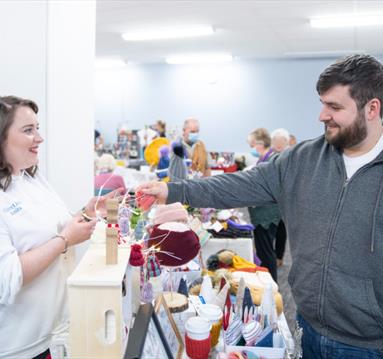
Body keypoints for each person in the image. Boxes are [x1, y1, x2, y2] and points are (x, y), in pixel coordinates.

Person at [138, 54, 383, 358]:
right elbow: (238, 185)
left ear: (372, 108)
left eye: (334, 107)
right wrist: (172, 189)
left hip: (369, 344)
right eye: (322, 103)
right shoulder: (302, 159)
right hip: (309, 326)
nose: (322, 115)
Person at [0, 96, 124, 359]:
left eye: (37, 128)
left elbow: (58, 228)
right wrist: (65, 240)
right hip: (21, 346)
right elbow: (8, 279)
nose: (39, 138)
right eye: (28, 130)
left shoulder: (30, 178)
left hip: (57, 332)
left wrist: (87, 212)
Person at [247, 128, 280, 282]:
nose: (251, 148)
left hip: (267, 216)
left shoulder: (271, 159)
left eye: (252, 144)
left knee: (266, 252)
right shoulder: (265, 159)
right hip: (263, 213)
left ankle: (272, 286)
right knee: (263, 251)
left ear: (260, 143)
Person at [270, 128, 290, 267]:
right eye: (275, 141)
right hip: (271, 200)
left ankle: (279, 256)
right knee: (271, 228)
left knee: (281, 230)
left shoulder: (290, 156)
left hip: (285, 199)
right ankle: (271, 255)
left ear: (286, 142)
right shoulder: (271, 156)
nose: (278, 143)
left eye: (281, 141)